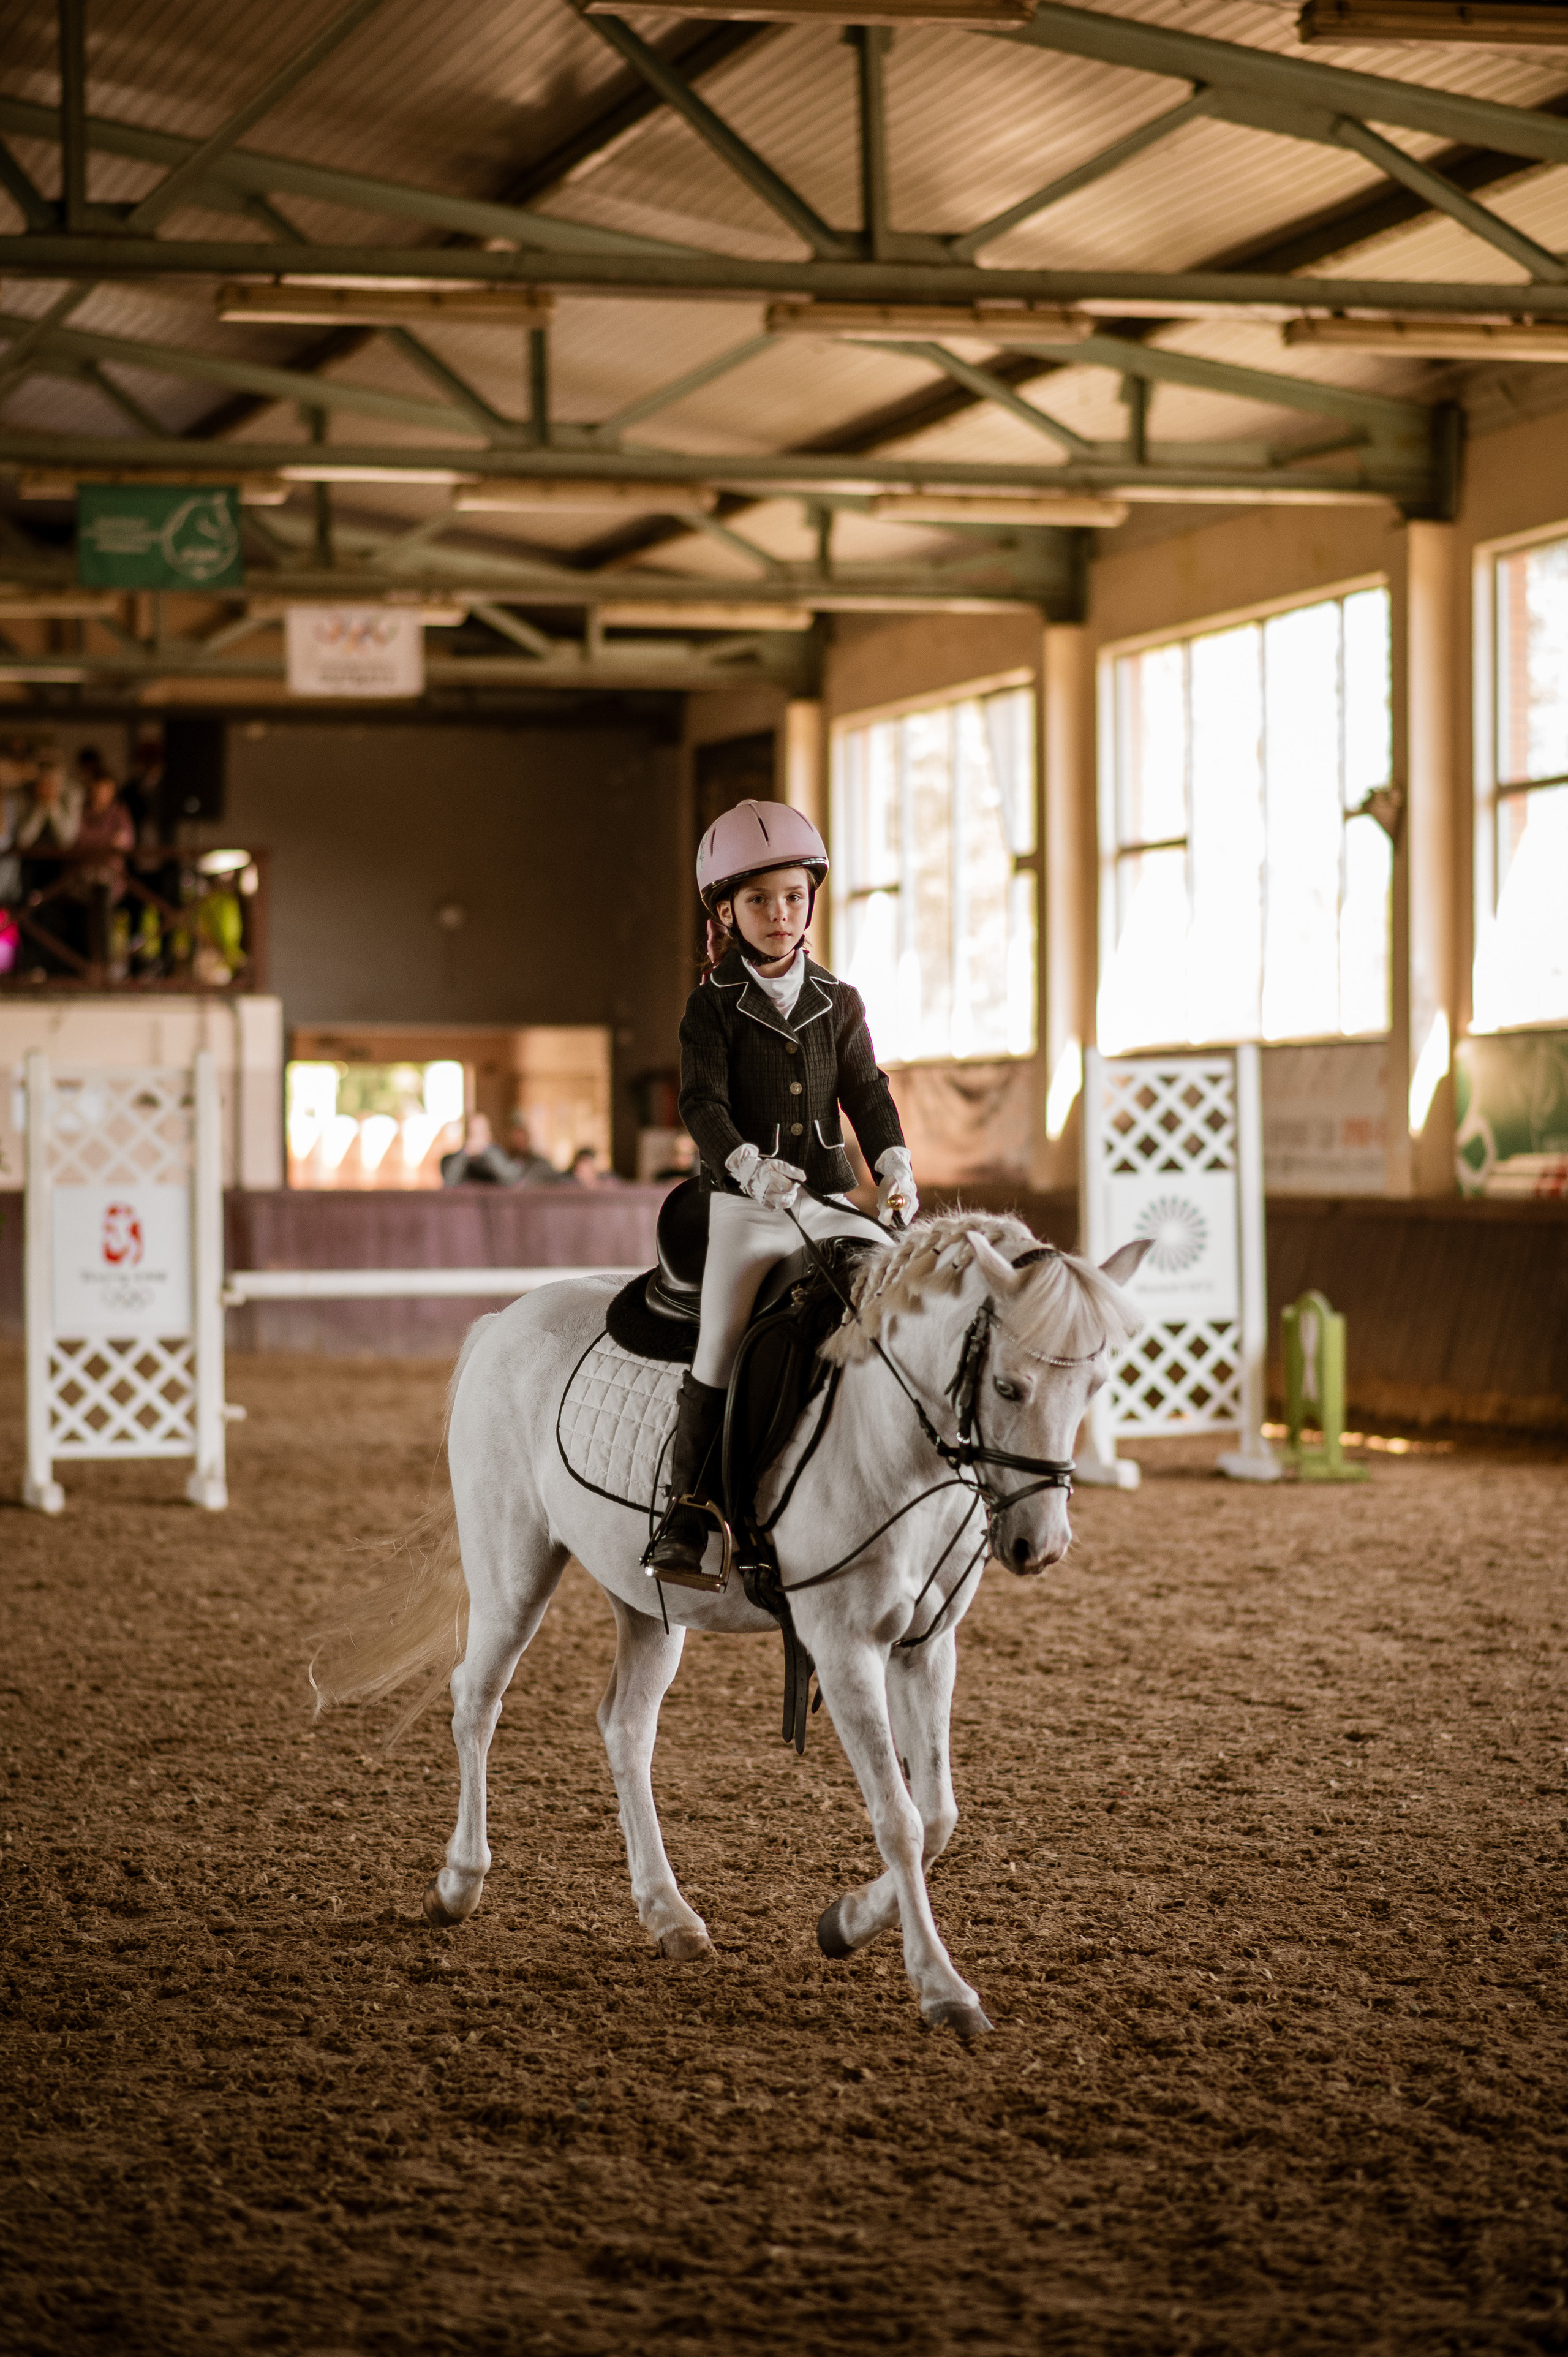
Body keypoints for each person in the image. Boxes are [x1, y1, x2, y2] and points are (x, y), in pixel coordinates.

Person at [647, 798, 917, 1584]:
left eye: (794, 896)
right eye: (759, 900)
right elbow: (701, 1103)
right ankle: (688, 1512)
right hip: (748, 1206)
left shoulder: (840, 998)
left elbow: (866, 1090)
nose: (779, 914)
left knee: (897, 1305)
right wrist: (746, 1165)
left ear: (811, 901)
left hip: (830, 1200)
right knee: (722, 1341)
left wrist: (893, 1162)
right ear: (725, 912)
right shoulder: (710, 1005)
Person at [440, 1111, 523, 1187]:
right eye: (473, 1133)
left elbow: (512, 1181)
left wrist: (487, 1151)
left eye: (481, 1133)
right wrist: (465, 1153)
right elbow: (449, 1183)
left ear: (489, 1135)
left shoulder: (498, 1155)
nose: (477, 1138)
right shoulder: (455, 1159)